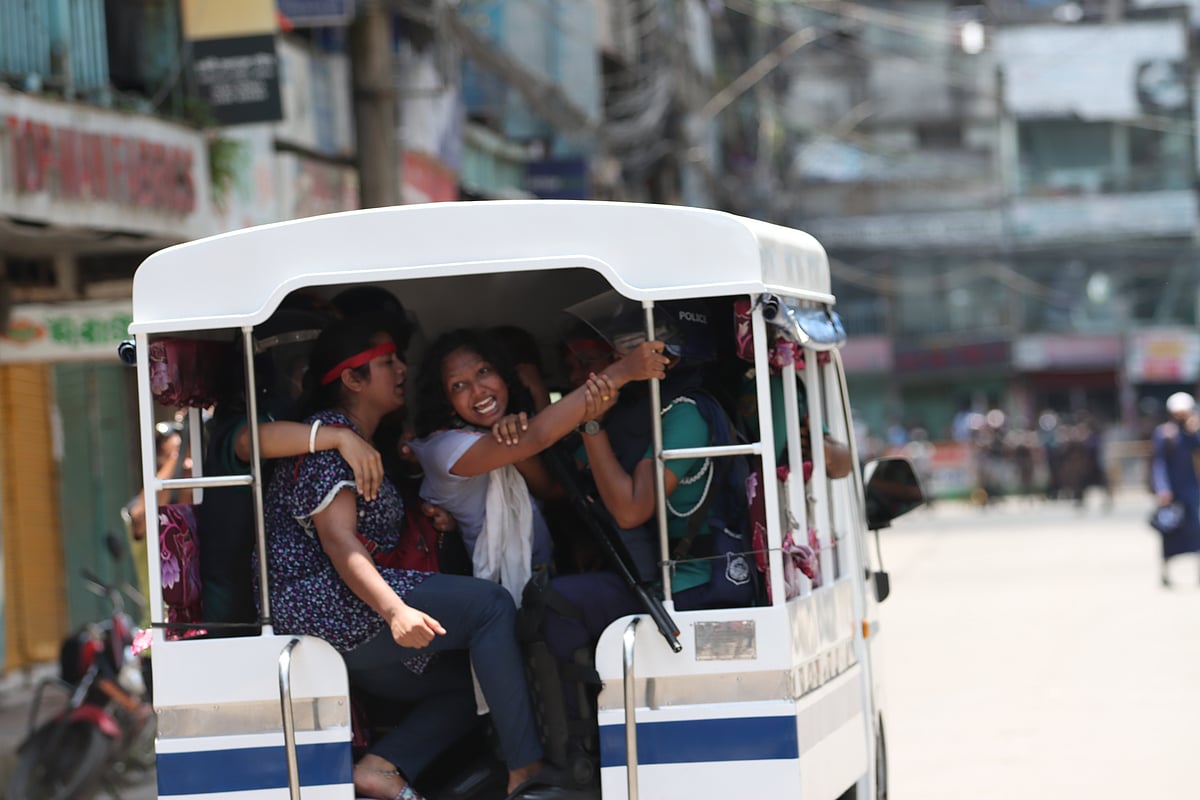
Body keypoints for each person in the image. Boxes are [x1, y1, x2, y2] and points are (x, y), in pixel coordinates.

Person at [259, 316, 548, 800]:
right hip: (324, 601)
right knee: (491, 606)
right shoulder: (331, 440)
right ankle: (527, 773)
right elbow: (338, 542)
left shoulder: (360, 439)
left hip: (342, 605)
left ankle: (383, 767)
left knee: (469, 685)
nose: (401, 368)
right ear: (353, 379)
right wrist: (395, 610)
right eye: (387, 361)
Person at [409, 327, 666, 600]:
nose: (477, 389)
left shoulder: (504, 435)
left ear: (505, 376)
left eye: (483, 371)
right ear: (446, 401)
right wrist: (621, 372)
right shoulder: (444, 447)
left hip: (539, 583)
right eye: (457, 385)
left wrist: (515, 438)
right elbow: (539, 436)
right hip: (491, 600)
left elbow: (550, 488)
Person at [1149, 392, 1200, 588]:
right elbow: (1159, 463)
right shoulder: (1164, 433)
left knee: (1195, 531)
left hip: (1191, 490)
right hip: (1171, 491)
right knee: (1169, 533)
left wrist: (1193, 431)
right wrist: (1162, 488)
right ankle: (1165, 573)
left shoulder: (1190, 433)